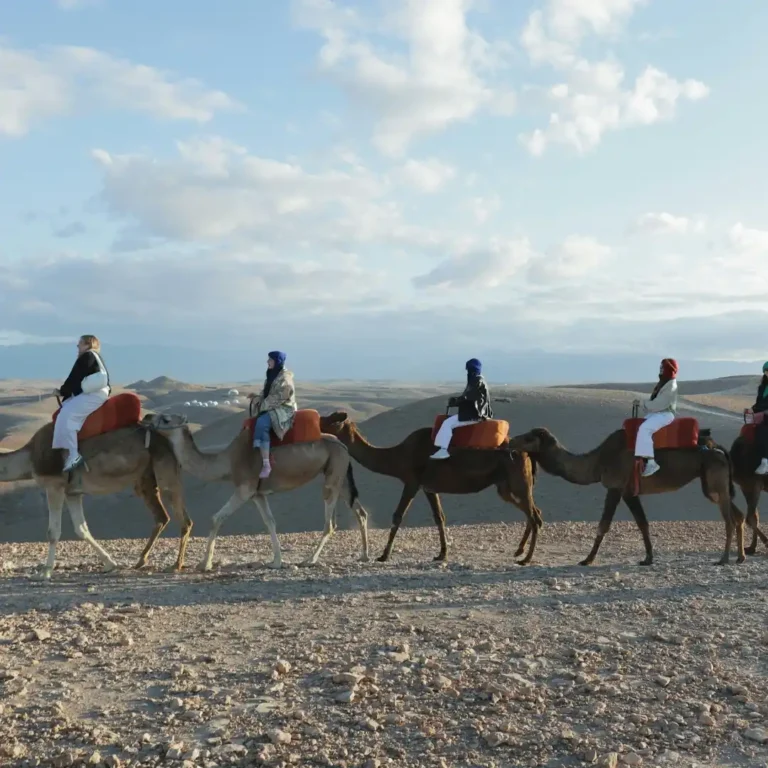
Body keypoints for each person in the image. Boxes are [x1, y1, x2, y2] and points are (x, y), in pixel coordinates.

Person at [52, 335, 111, 472]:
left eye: (80, 343)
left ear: (88, 344)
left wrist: (61, 391)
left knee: (68, 416)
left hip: (94, 395)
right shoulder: (94, 357)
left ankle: (74, 455)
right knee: (65, 411)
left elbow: (75, 378)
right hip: (94, 393)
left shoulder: (87, 356)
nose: (77, 346)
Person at [248, 351, 297, 479]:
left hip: (284, 408)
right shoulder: (271, 375)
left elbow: (283, 395)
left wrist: (263, 404)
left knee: (262, 423)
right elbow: (268, 393)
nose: (267, 362)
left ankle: (266, 464)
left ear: (277, 361)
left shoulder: (285, 378)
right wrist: (258, 398)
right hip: (272, 406)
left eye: (270, 360)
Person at [431, 358, 493, 459]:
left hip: (475, 414)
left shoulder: (477, 380)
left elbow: (468, 397)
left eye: (469, 370)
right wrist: (457, 401)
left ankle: (443, 450)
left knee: (448, 423)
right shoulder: (477, 380)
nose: (468, 372)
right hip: (476, 412)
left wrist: (456, 401)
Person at [634, 358, 679, 477]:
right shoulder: (664, 384)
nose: (660, 371)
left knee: (645, 428)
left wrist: (644, 404)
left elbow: (659, 404)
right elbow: (654, 401)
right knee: (638, 426)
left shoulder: (671, 386)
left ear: (668, 370)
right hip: (658, 413)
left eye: (662, 368)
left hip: (664, 414)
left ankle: (651, 462)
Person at [752, 362, 768, 475]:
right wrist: (752, 409)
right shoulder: (762, 388)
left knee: (763, 431)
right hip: (762, 415)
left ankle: (765, 461)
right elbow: (758, 403)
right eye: (767, 371)